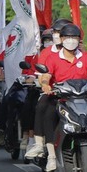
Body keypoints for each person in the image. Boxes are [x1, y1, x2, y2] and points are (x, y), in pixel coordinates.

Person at [26, 23, 87, 172]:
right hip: (59, 97)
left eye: (74, 37)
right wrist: (45, 85)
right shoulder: (53, 58)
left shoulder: (85, 57)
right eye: (68, 37)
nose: (71, 40)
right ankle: (48, 153)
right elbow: (46, 75)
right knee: (45, 109)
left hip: (82, 97)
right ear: (61, 39)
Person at [25, 19, 72, 160]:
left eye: (61, 32)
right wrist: (45, 84)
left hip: (75, 94)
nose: (58, 35)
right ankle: (40, 145)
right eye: (56, 32)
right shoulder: (47, 53)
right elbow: (42, 75)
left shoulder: (79, 52)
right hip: (53, 93)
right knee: (41, 107)